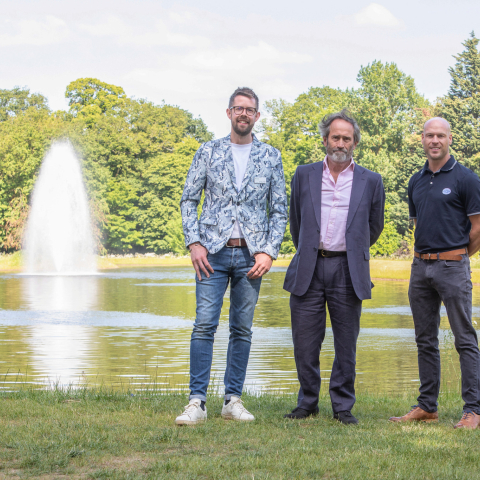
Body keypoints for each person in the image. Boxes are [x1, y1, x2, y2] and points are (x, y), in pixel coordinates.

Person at [175, 87, 288, 425]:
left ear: (256, 116)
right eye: (238, 108)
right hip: (212, 253)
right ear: (228, 113)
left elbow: (279, 210)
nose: (243, 114)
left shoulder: (271, 156)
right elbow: (188, 200)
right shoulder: (208, 152)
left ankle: (232, 400)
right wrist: (193, 242)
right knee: (204, 325)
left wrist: (269, 250)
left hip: (251, 257)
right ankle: (196, 402)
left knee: (242, 329)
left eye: (249, 110)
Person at [283, 109, 385, 424]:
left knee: (345, 342)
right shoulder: (304, 174)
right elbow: (296, 223)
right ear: (326, 139)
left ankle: (342, 406)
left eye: (347, 138)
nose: (340, 142)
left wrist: (351, 250)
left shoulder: (371, 180)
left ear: (354, 143)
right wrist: (312, 250)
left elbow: (374, 226)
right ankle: (307, 402)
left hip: (347, 269)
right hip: (309, 267)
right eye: (335, 137)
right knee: (305, 340)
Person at [389, 117, 480, 429]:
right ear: (423, 139)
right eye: (430, 135)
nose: (435, 140)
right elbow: (420, 224)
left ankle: (474, 410)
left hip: (453, 267)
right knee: (424, 338)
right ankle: (427, 406)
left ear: (449, 139)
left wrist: (456, 256)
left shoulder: (466, 179)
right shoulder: (416, 181)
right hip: (420, 268)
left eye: (440, 135)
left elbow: (478, 228)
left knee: (464, 338)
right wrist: (428, 259)